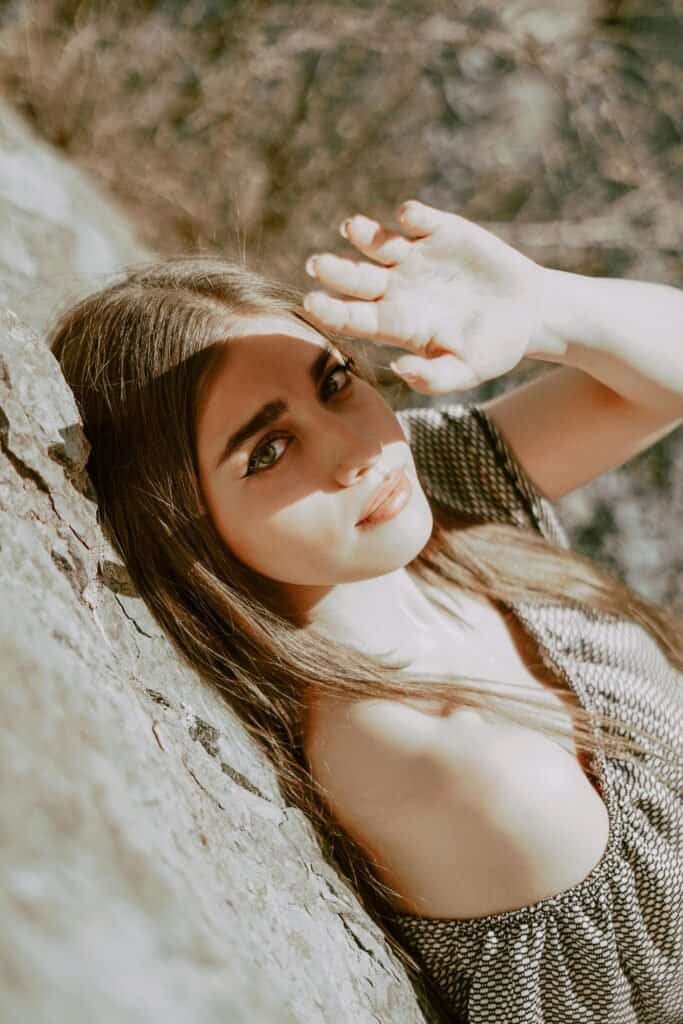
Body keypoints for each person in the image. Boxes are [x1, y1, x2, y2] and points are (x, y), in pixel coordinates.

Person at [49, 199, 683, 1023]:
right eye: (267, 450)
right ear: (178, 522)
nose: (354, 452)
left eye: (335, 383)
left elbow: (659, 386)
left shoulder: (428, 496)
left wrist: (540, 308)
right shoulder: (450, 769)